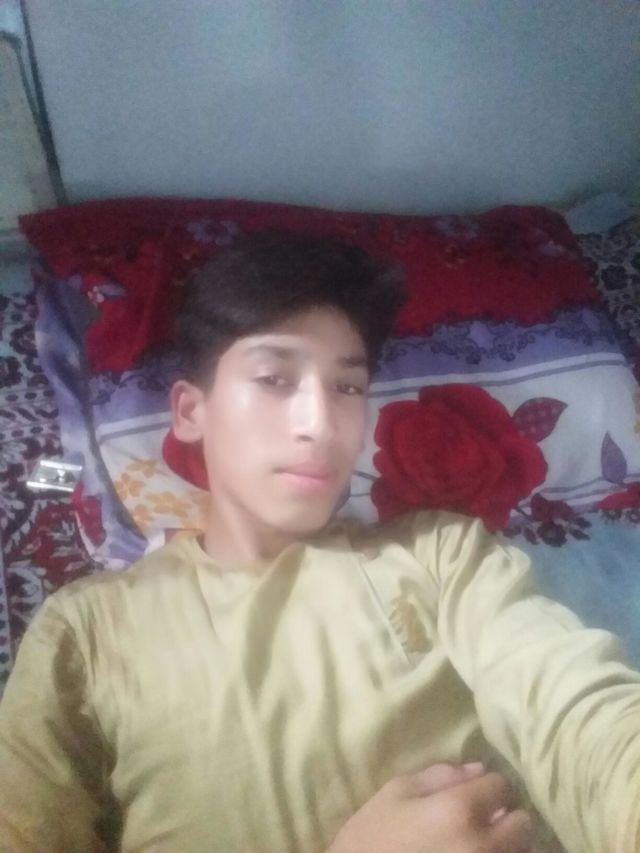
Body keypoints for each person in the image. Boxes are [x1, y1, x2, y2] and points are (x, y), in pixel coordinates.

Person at [0, 230, 638, 853]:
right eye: (274, 379)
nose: (322, 423)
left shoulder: (440, 555)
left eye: (347, 387)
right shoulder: (85, 630)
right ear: (191, 411)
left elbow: (577, 710)